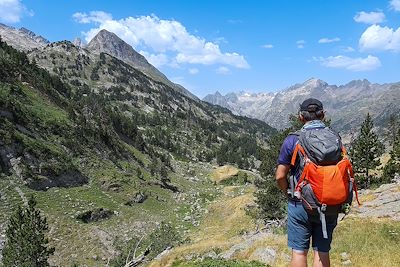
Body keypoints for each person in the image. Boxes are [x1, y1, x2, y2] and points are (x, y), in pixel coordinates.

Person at [275, 98, 338, 267]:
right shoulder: (334, 137)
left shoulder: (292, 140)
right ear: (323, 115)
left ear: (300, 117)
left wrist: (287, 191)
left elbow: (280, 176)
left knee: (299, 252)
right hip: (328, 203)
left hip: (300, 203)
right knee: (322, 252)